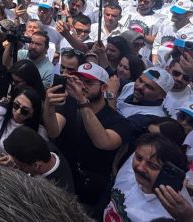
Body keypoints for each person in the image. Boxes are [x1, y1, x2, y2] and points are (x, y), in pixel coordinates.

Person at [44, 62, 134, 209]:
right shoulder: (69, 104)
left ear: (104, 88)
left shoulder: (118, 121)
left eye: (89, 83)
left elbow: (103, 142)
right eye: (80, 81)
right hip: (64, 178)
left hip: (90, 192)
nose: (83, 86)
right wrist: (49, 105)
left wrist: (82, 102)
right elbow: (54, 131)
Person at [105, 132, 193, 222]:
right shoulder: (132, 167)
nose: (140, 168)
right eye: (138, 158)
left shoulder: (170, 214)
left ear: (168, 173)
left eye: (152, 166)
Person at [0, 87, 47, 168]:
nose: (17, 112)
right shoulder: (0, 113)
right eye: (16, 105)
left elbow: (37, 163)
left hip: (16, 172)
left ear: (33, 113)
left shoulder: (39, 133)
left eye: (24, 111)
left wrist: (15, 163)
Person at [1, 125, 74, 193]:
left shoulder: (54, 191)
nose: (17, 166)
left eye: (19, 165)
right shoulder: (45, 147)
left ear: (36, 165)